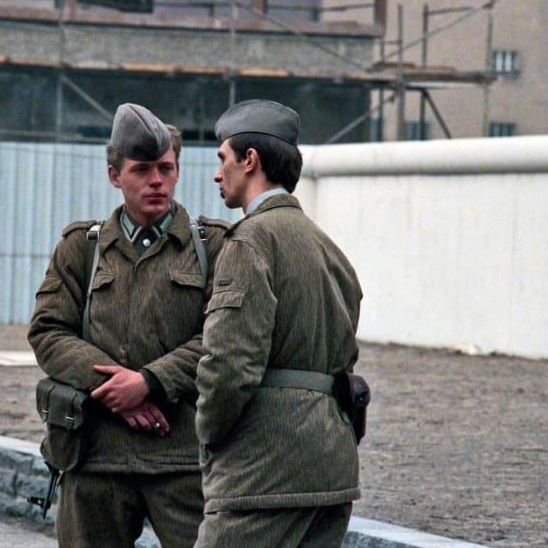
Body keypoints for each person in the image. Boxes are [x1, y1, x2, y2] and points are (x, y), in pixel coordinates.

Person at [28, 103, 227, 547]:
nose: (156, 181)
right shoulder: (82, 248)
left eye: (165, 168)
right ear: (114, 176)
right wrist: (119, 393)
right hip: (96, 457)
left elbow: (224, 338)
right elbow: (49, 331)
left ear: (178, 171)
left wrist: (150, 382)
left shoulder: (213, 246)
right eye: (141, 170)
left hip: (182, 463)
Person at [194, 99, 364, 547]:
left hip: (263, 473)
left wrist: (208, 437)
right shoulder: (328, 249)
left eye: (222, 159)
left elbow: (229, 364)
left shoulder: (250, 241)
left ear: (250, 161)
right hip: (330, 468)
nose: (217, 173)